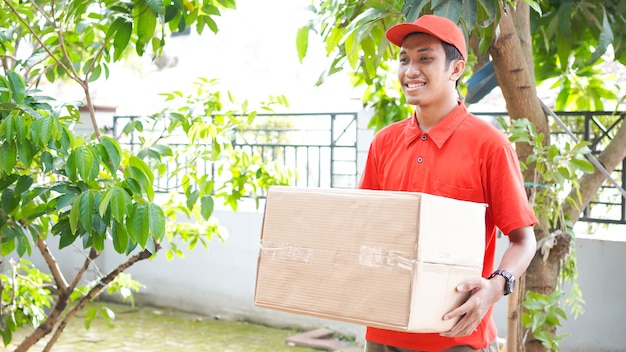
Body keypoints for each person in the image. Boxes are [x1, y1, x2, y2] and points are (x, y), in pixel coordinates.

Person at [358, 14, 538, 352]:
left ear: (455, 69)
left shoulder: (490, 145)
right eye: (404, 60)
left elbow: (524, 240)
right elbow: (365, 226)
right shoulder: (384, 142)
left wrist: (496, 286)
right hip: (383, 331)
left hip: (457, 337)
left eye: (425, 58)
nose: (410, 70)